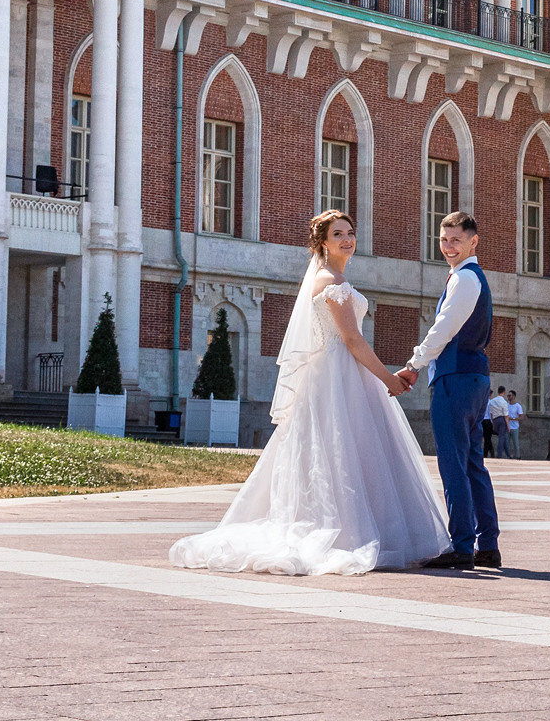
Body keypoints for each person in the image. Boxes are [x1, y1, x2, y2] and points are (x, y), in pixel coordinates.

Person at [168, 211, 448, 576]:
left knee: (344, 452)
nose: (347, 240)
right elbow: (351, 339)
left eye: (350, 233)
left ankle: (355, 527)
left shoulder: (333, 278)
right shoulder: (331, 282)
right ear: (323, 243)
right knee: (342, 450)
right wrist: (386, 380)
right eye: (338, 234)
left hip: (336, 374)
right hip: (339, 373)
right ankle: (347, 533)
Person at [392, 210, 501, 570]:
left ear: (474, 241)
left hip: (456, 378)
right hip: (474, 378)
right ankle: (487, 544)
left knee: (454, 465)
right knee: (472, 464)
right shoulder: (468, 278)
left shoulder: (466, 279)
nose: (449, 246)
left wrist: (414, 365)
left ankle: (463, 546)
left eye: (456, 239)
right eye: (443, 239)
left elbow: (444, 329)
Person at [483, 386, 507, 459]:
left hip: (483, 421)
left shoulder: (484, 402)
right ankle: (489, 453)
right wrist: (492, 422)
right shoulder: (490, 402)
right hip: (488, 421)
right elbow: (491, 413)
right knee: (488, 439)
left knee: (487, 438)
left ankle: (489, 453)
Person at [503, 389, 523, 460]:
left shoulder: (518, 406)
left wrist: (513, 419)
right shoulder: (506, 405)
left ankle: (517, 456)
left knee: (516, 443)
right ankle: (508, 456)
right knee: (507, 443)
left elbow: (521, 417)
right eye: (508, 395)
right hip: (507, 426)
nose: (508, 397)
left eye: (510, 395)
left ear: (514, 396)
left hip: (515, 427)